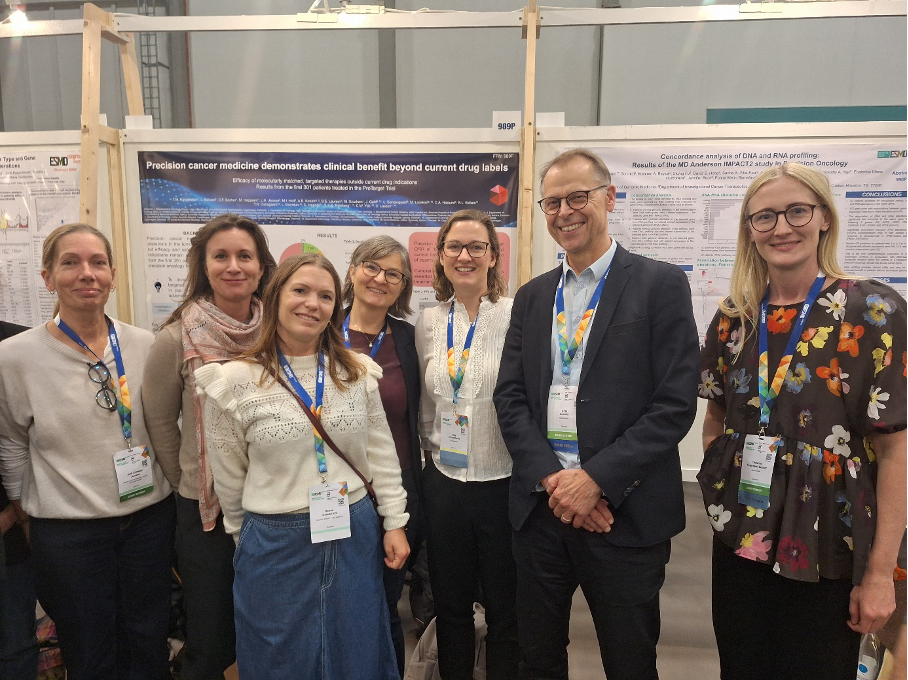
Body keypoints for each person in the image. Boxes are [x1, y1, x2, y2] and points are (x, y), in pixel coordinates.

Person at [494, 148, 700, 680]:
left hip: (624, 518)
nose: (565, 212)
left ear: (609, 198)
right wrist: (557, 482)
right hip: (542, 514)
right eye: (553, 202)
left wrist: (596, 481)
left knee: (629, 662)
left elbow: (674, 404)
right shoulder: (535, 297)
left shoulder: (660, 285)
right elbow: (511, 397)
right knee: (536, 659)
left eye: (578, 197)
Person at [698, 162, 907, 680]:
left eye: (796, 211)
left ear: (824, 220)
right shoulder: (734, 319)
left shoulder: (873, 311)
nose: (781, 227)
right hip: (742, 539)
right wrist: (725, 493)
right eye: (764, 217)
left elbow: (897, 452)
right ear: (750, 231)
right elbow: (716, 418)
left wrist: (881, 572)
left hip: (831, 543)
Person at [194, 253, 409, 680]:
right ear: (275, 297)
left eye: (325, 296)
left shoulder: (356, 372)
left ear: (335, 306)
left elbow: (381, 455)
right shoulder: (233, 380)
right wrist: (245, 540)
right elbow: (229, 476)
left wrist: (395, 521)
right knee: (279, 655)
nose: (313, 303)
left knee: (356, 647)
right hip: (274, 541)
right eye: (301, 291)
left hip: (353, 530)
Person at [0, 224, 175, 680]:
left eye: (98, 262)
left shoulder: (145, 344)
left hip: (148, 524)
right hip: (68, 533)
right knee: (88, 647)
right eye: (70, 262)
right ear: (47, 276)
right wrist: (23, 509)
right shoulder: (14, 357)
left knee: (148, 638)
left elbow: (163, 427)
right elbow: (12, 440)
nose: (87, 273)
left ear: (113, 275)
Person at [142, 213, 275, 680]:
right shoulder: (176, 337)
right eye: (221, 256)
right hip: (206, 511)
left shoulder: (280, 331)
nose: (233, 266)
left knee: (266, 618)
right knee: (212, 626)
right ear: (204, 264)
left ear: (262, 267)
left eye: (245, 256)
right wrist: (192, 483)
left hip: (272, 499)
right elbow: (160, 422)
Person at [416, 209, 519, 680]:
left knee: (506, 606)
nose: (465, 255)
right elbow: (425, 402)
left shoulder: (517, 315)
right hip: (445, 483)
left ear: (493, 257)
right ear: (440, 256)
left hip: (504, 482)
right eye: (455, 246)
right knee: (451, 603)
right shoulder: (427, 322)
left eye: (477, 246)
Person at [341, 235, 422, 677]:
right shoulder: (316, 330)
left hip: (397, 492)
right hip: (332, 491)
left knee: (386, 605)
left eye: (393, 273)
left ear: (402, 286)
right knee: (339, 600)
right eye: (372, 267)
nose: (380, 279)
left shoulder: (409, 340)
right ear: (352, 270)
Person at [0, 320, 38, 680]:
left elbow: (22, 440)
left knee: (14, 648)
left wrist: (15, 513)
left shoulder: (18, 345)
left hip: (8, 529)